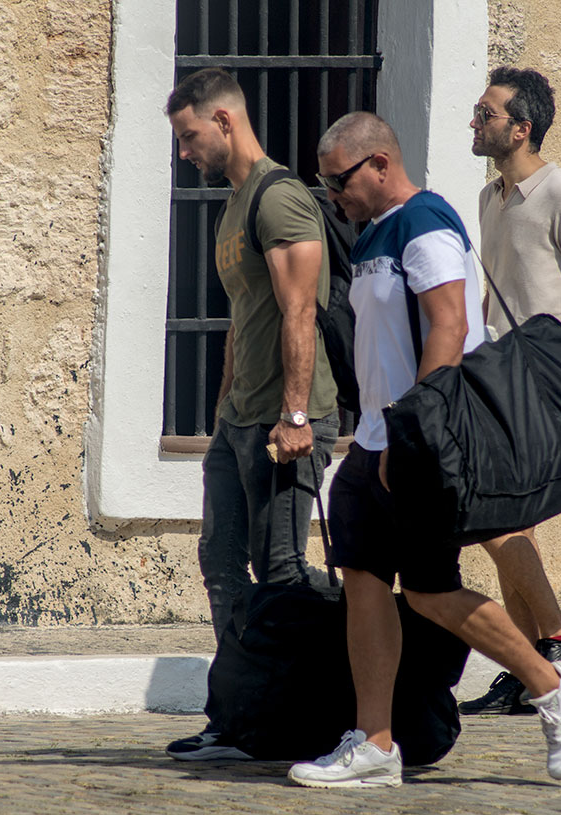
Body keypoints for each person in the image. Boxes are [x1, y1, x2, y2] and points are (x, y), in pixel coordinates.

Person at [286, 112, 561, 788]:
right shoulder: (372, 233)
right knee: (364, 584)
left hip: (414, 440)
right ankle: (374, 743)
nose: (332, 192)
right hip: (371, 440)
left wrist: (413, 429)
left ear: (377, 163)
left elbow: (450, 324)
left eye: (338, 178)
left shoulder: (424, 220)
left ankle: (553, 683)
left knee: (429, 591)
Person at [163, 67, 339, 759]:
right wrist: (222, 412)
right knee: (221, 562)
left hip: (285, 421)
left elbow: (300, 307)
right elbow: (245, 317)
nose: (184, 152)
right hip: (239, 421)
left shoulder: (280, 197)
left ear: (225, 122)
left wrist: (294, 413)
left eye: (188, 136)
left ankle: (347, 681)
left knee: (285, 570)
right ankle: (239, 714)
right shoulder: (231, 208)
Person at [459, 66, 561, 715]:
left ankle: (558, 640)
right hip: (494, 371)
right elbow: (494, 295)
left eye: (486, 112)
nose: (474, 120)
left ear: (521, 127)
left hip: (543, 374)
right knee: (506, 519)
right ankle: (534, 659)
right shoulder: (490, 199)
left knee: (499, 515)